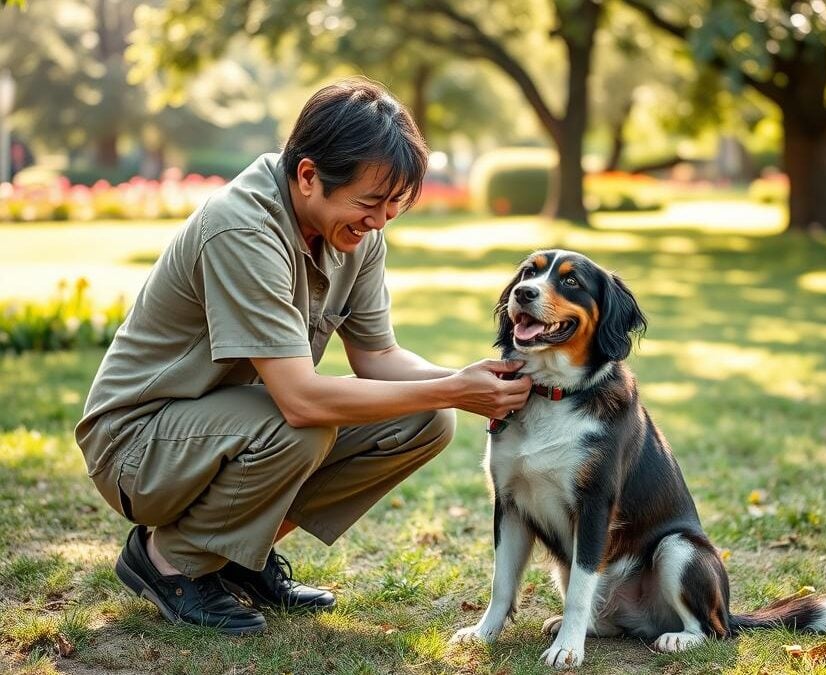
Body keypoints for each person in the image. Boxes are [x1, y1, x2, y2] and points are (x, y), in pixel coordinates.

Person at [75, 78, 532, 634]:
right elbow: (301, 401)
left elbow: (379, 357)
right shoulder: (241, 227)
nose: (380, 220)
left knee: (424, 421)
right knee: (307, 425)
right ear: (309, 176)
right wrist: (453, 390)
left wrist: (470, 384)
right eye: (369, 202)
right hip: (139, 445)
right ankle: (172, 561)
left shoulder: (352, 233)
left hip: (229, 424)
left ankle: (241, 552)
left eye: (394, 205)